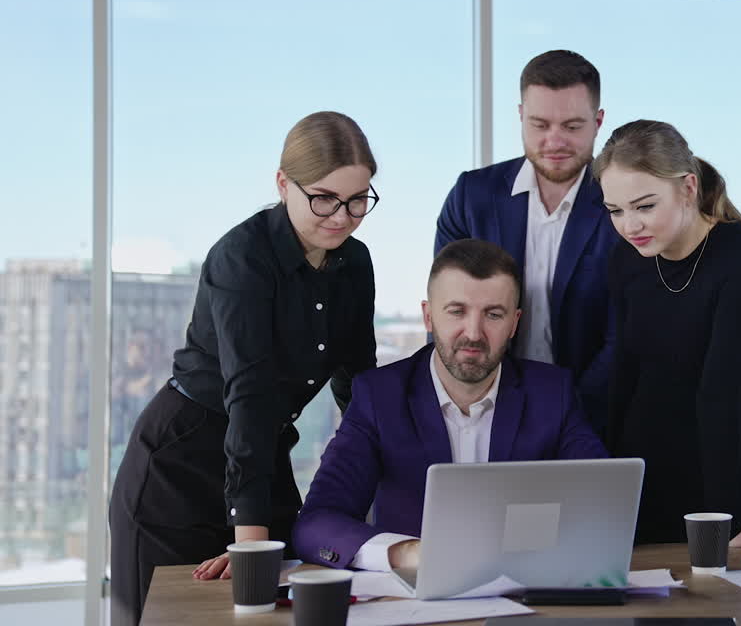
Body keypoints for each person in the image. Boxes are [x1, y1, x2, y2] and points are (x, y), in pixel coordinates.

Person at [108, 111, 379, 625]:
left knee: (279, 614)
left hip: (262, 457)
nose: (342, 216)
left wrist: (386, 475)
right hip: (179, 469)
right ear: (283, 184)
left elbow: (358, 384)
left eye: (358, 200)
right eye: (324, 198)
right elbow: (249, 396)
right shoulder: (243, 257)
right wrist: (251, 545)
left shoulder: (355, 263)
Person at [293, 238, 608, 571]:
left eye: (493, 314)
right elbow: (316, 523)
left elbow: (602, 502)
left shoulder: (553, 393)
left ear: (515, 323)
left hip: (525, 586)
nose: (473, 333)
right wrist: (409, 553)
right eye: (457, 311)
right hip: (414, 594)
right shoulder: (379, 396)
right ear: (428, 316)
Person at [593, 119, 741, 549]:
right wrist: (610, 484)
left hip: (716, 480)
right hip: (640, 479)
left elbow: (722, 396)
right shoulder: (625, 260)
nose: (630, 226)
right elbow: (624, 379)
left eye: (644, 206)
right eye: (616, 210)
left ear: (687, 187)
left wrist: (727, 520)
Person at [435, 50, 618, 433]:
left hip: (596, 414)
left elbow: (624, 334)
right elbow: (447, 311)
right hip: (484, 412)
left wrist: (570, 414)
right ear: (521, 116)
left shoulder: (621, 204)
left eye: (572, 126)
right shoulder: (471, 196)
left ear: (598, 122)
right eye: (540, 124)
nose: (555, 140)